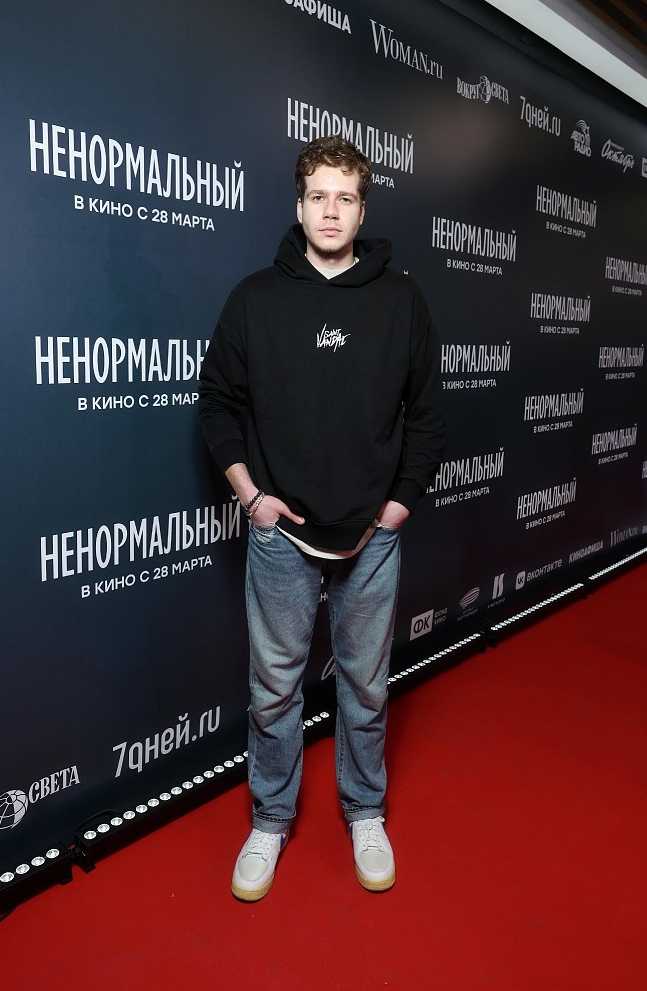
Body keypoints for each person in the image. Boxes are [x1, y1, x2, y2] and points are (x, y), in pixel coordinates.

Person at [198, 135, 445, 901]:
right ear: (298, 206)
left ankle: (365, 811)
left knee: (364, 689)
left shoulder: (400, 300)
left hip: (371, 537)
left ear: (362, 210)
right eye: (316, 197)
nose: (330, 211)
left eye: (344, 198)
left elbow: (427, 416)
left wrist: (397, 506)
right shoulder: (254, 298)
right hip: (280, 537)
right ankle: (270, 821)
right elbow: (217, 406)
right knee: (274, 690)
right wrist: (251, 498)